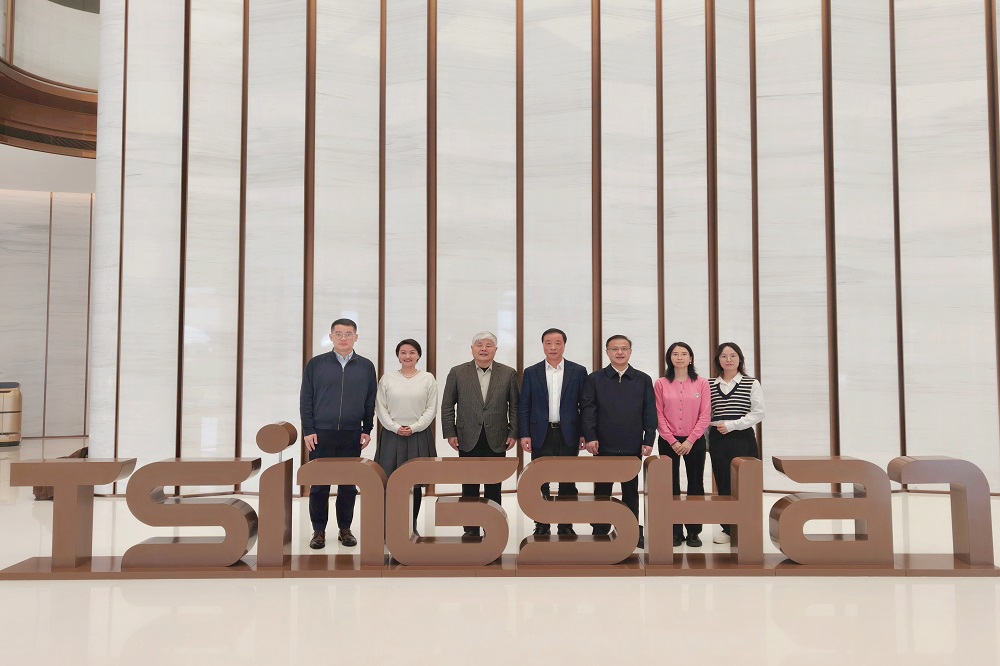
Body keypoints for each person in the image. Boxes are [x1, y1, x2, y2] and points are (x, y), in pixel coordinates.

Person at [300, 318, 377, 550]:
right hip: (321, 433)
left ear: (356, 337)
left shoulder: (366, 366)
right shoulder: (316, 364)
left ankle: (345, 529)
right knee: (319, 485)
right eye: (339, 334)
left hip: (351, 433)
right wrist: (308, 429)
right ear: (331, 336)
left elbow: (370, 400)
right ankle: (318, 531)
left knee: (348, 485)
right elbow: (306, 398)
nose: (344, 338)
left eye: (348, 334)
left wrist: (366, 429)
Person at [440, 331, 520, 537]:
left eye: (488, 345)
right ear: (472, 348)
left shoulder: (508, 373)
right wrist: (450, 432)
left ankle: (493, 530)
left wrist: (513, 431)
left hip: (497, 436)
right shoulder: (457, 372)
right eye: (479, 344)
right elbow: (447, 405)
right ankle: (470, 529)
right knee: (469, 485)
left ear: (495, 349)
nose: (484, 348)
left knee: (494, 486)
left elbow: (514, 406)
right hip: (467, 436)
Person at [581, 334, 657, 549]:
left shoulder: (642, 379)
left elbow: (649, 411)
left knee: (630, 491)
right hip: (602, 445)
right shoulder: (595, 379)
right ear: (607, 352)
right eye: (614, 349)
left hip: (632, 444)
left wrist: (648, 439)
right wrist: (590, 437)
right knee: (602, 490)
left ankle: (632, 532)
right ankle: (599, 530)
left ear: (630, 352)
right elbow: (588, 410)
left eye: (624, 348)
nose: (619, 352)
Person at [518, 328, 588, 536]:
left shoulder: (578, 371)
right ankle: (542, 523)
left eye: (558, 343)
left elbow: (585, 406)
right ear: (543, 345)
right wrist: (524, 434)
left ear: (564, 345)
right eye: (548, 343)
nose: (553, 347)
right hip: (540, 433)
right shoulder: (531, 372)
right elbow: (524, 405)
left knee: (568, 480)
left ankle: (566, 525)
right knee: (540, 479)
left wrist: (584, 433)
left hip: (569, 433)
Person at [374, 339, 438, 530]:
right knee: (390, 481)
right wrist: (394, 427)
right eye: (403, 352)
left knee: (415, 482)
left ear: (418, 355)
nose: (407, 356)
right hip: (391, 435)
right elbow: (381, 407)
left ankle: (412, 524)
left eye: (412, 352)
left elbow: (431, 408)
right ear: (398, 355)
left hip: (419, 435)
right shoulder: (387, 378)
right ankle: (390, 525)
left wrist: (415, 427)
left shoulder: (427, 378)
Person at [653, 341, 712, 548]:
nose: (679, 357)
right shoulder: (660, 383)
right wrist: (671, 440)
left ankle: (694, 531)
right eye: (675, 354)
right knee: (670, 485)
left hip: (694, 441)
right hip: (668, 441)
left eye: (684, 353)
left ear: (690, 358)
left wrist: (689, 440)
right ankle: (674, 531)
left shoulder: (702, 383)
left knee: (696, 484)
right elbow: (658, 414)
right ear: (669, 358)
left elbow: (705, 415)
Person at [708, 341, 765, 544]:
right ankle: (728, 529)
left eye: (733, 355)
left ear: (740, 359)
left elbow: (758, 413)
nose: (729, 359)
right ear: (718, 360)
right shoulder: (709, 384)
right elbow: (705, 413)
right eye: (724, 356)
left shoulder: (751, 383)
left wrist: (732, 425)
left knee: (745, 483)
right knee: (723, 483)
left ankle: (747, 526)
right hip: (717, 439)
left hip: (742, 438)